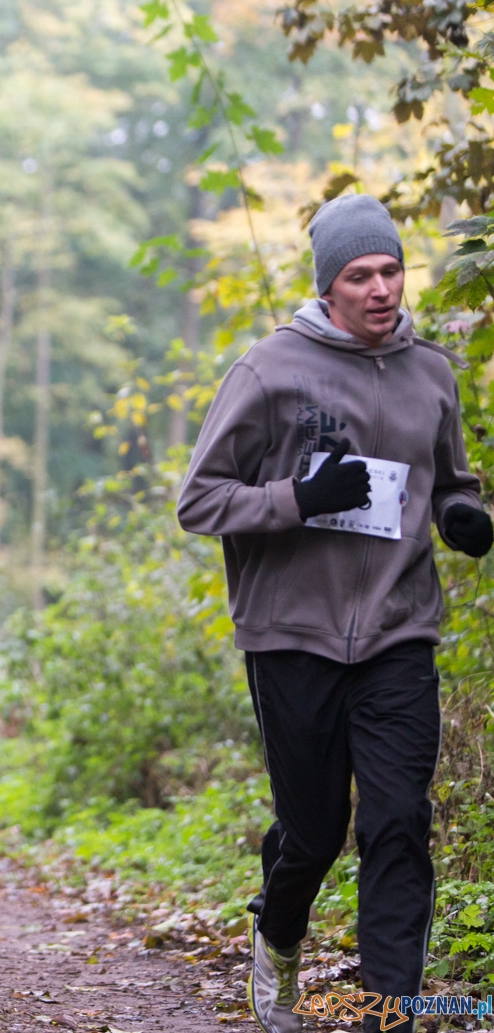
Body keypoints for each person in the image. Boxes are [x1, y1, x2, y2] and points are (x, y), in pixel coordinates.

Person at [177, 193, 492, 1033]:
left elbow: (451, 481)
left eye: (392, 269)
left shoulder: (431, 370)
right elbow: (199, 501)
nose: (382, 288)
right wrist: (298, 497)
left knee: (397, 826)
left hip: (398, 631)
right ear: (329, 285)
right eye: (361, 275)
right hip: (293, 635)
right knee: (312, 834)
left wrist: (463, 513)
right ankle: (278, 936)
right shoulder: (271, 370)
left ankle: (387, 1016)